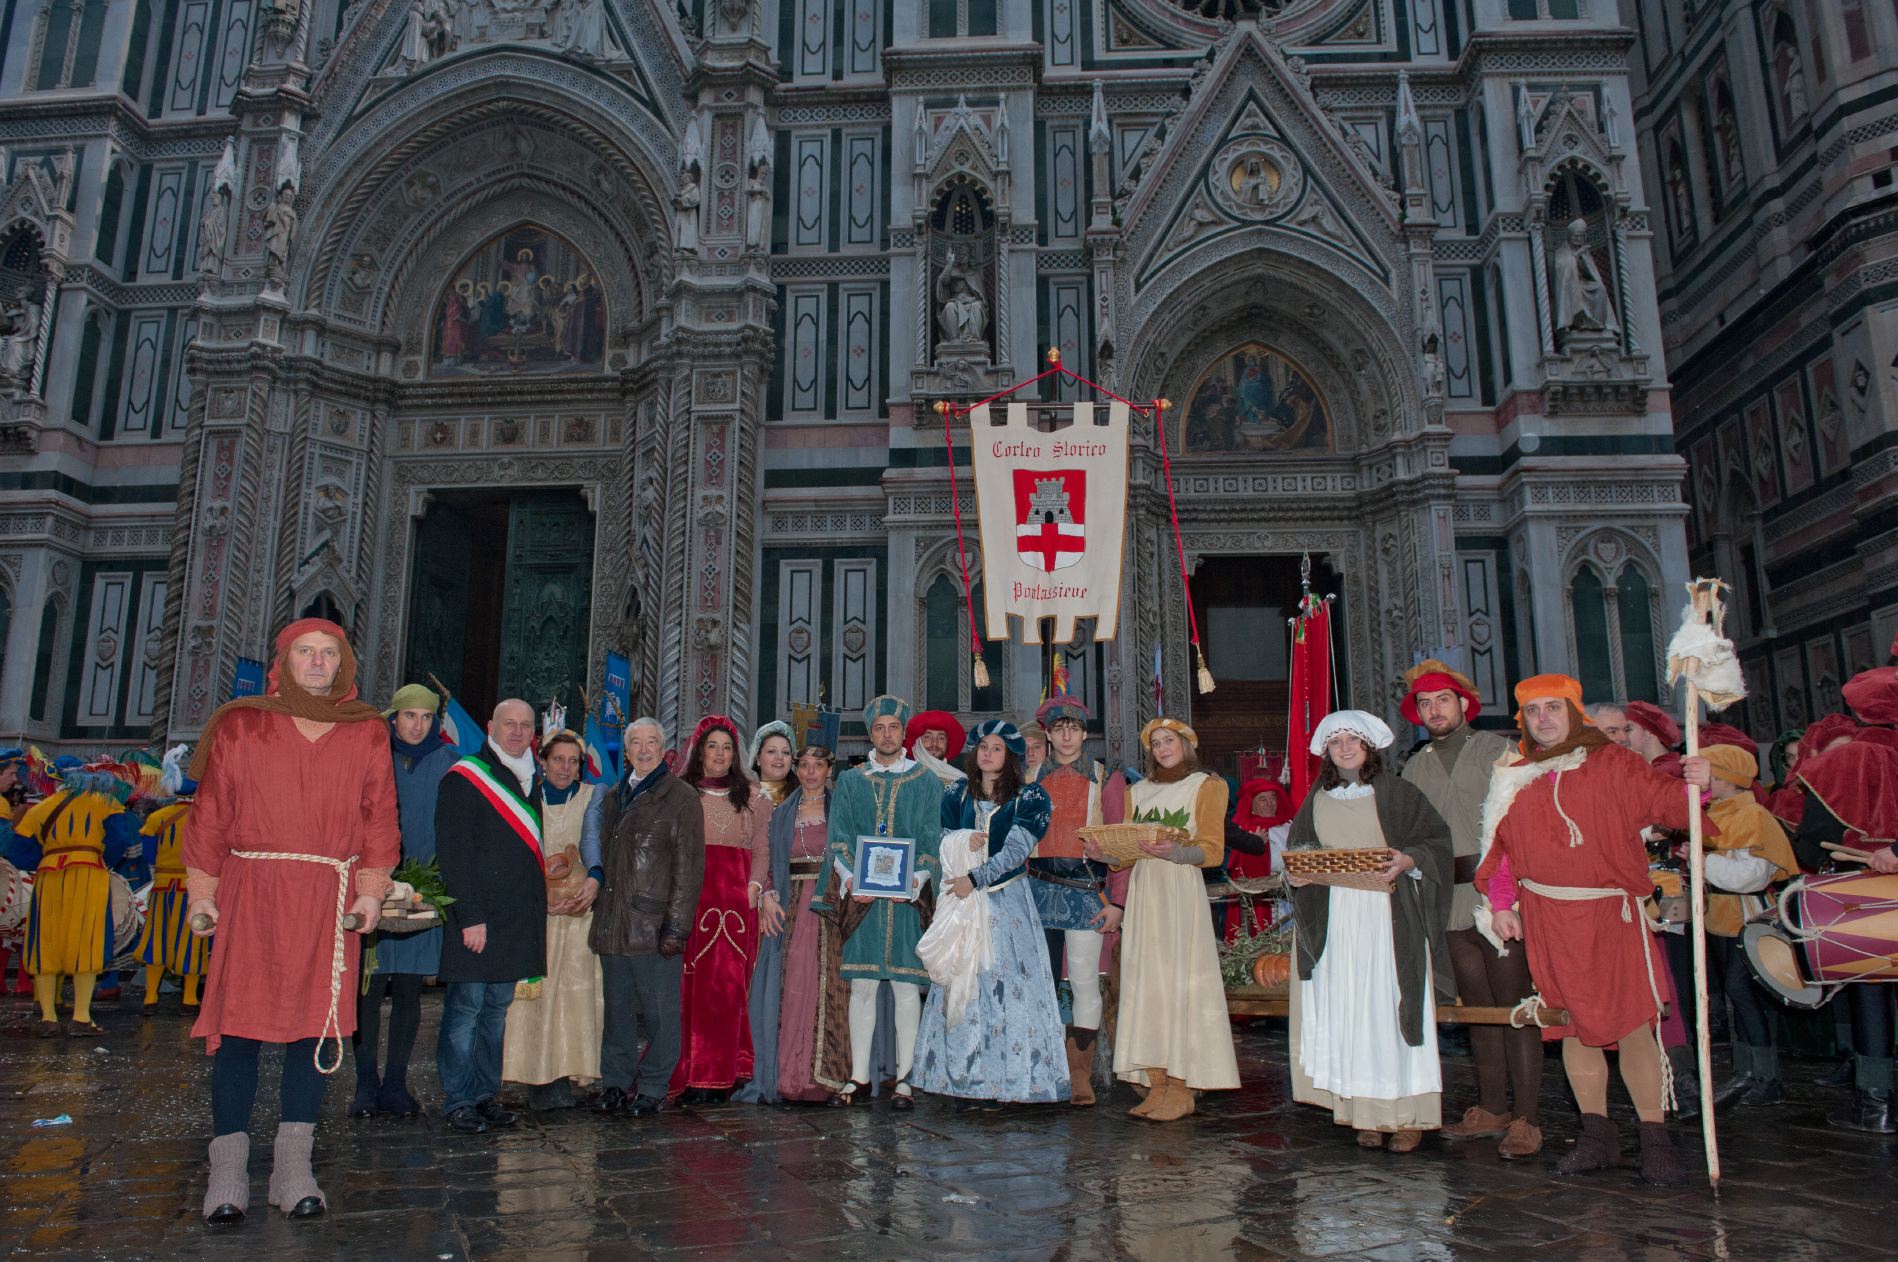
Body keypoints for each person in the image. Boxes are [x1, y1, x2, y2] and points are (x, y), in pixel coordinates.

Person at [182, 618, 399, 1223]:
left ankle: (292, 1169)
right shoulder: (241, 723)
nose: (317, 662)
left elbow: (379, 818)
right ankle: (226, 1172)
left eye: (329, 654)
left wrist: (372, 893)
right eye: (306, 651)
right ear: (284, 660)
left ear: (344, 665)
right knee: (241, 1031)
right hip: (253, 891)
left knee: (316, 1033)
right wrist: (204, 891)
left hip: (329, 898)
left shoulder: (367, 732)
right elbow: (211, 813)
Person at [1475, 674, 1713, 1187]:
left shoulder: (1615, 763)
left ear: (1574, 712)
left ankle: (1655, 1141)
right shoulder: (1516, 775)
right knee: (1571, 1030)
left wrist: (1698, 781)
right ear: (1523, 720)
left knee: (1631, 1028)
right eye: (1533, 711)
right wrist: (1501, 904)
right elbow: (1501, 850)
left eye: (1553, 708)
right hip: (1548, 921)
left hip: (1611, 916)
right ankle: (1598, 1137)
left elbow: (1672, 806)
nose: (1543, 719)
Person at [1287, 710, 1453, 1152]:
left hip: (1386, 916)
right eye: (1335, 741)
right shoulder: (1317, 799)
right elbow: (1300, 850)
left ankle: (1408, 1115)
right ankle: (1362, 1112)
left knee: (1387, 1006)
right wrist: (1300, 875)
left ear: (1369, 747)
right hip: (1338, 917)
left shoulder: (1397, 793)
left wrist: (1409, 859)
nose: (1344, 748)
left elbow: (1436, 840)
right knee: (1350, 1012)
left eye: (1352, 740)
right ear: (1326, 751)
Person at [1397, 661, 1541, 1158]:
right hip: (1446, 898)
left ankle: (1526, 1118)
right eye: (1425, 703)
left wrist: (1513, 891)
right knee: (1478, 1008)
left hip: (1500, 895)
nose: (1434, 710)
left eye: (1443, 700)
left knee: (1515, 1007)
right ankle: (1492, 1108)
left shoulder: (1499, 752)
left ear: (1464, 705)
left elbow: (1524, 821)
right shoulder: (1414, 766)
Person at [914, 721, 1069, 1108]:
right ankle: (965, 1081)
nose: (987, 753)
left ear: (1010, 756)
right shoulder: (955, 793)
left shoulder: (1029, 796)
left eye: (997, 748)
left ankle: (1009, 1081)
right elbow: (942, 841)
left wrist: (976, 876)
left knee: (1008, 987)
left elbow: (1016, 852)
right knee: (966, 984)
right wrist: (961, 846)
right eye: (983, 745)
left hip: (1006, 904)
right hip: (964, 903)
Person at [1099, 717, 1240, 1121]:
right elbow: (1126, 853)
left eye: (1170, 741)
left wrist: (1174, 852)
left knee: (1181, 986)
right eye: (1156, 743)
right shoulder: (1136, 792)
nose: (1162, 748)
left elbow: (1212, 851)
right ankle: (1157, 1081)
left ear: (1186, 745)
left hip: (1180, 895)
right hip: (1144, 896)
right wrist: (1103, 852)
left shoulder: (1207, 786)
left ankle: (1182, 1085)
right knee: (1147, 988)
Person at [813, 695, 944, 1109]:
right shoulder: (852, 781)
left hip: (907, 903)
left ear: (904, 733)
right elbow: (839, 838)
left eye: (894, 727)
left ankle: (906, 1079)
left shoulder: (925, 781)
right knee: (863, 988)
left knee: (907, 989)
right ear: (870, 734)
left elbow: (930, 839)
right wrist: (852, 880)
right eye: (879, 728)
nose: (887, 734)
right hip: (864, 902)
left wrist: (917, 879)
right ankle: (859, 1077)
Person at [433, 699, 548, 1135]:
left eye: (525, 726)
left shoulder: (531, 778)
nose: (517, 732)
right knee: (465, 1010)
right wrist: (470, 916)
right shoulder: (465, 777)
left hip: (517, 920)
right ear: (490, 727)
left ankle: (485, 1095)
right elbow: (455, 853)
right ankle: (458, 1098)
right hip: (478, 918)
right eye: (508, 724)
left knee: (496, 1012)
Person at [353, 683, 458, 1120]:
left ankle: (396, 1083)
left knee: (410, 990)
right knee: (369, 991)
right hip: (371, 887)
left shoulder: (451, 763)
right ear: (393, 718)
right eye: (409, 716)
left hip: (422, 891)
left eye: (426, 717)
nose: (417, 725)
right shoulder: (369, 758)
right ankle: (364, 1085)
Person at [591, 717, 704, 1117]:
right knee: (617, 1013)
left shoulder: (681, 797)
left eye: (651, 741)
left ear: (663, 748)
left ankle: (654, 1086)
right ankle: (616, 1083)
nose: (643, 749)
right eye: (635, 742)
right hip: (613, 924)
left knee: (659, 1014)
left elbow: (689, 869)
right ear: (626, 750)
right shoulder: (612, 796)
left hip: (653, 926)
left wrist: (676, 927)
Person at [1789, 727, 1898, 1131]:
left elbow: (1811, 848)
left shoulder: (1844, 763)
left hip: (1861, 894)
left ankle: (1876, 1105)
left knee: (1869, 998)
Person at [1025, 694, 1124, 1107]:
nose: (1067, 736)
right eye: (1058, 728)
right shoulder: (1028, 779)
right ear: (1047, 733)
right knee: (1039, 984)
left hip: (1085, 892)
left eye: (1074, 728)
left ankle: (1078, 1075)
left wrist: (1117, 902)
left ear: (1086, 733)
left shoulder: (1106, 779)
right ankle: (1041, 1069)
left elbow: (1123, 845)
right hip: (1035, 892)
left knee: (1084, 982)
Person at [502, 729, 606, 1111]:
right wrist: (534, 895)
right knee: (534, 998)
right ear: (542, 762)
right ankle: (533, 1074)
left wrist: (595, 878)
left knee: (574, 997)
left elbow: (594, 840)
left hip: (578, 912)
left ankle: (567, 1072)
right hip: (537, 913)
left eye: (573, 761)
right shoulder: (525, 797)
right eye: (558, 759)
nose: (565, 767)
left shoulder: (592, 797)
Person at [672, 715, 773, 1102]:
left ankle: (722, 1073)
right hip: (692, 898)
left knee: (728, 990)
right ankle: (689, 1071)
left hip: (734, 902)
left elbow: (761, 847)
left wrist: (754, 887)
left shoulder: (753, 796)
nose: (720, 754)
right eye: (713, 746)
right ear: (700, 751)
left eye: (727, 747)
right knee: (690, 987)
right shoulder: (680, 793)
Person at [1697, 743, 1799, 1109]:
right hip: (1720, 919)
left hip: (1746, 917)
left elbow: (1751, 878)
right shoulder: (1713, 812)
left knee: (1744, 994)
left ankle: (1766, 1077)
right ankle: (1746, 1073)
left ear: (1724, 777)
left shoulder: (1753, 816)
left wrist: (1700, 861)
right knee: (1734, 995)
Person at [739, 743, 840, 1104]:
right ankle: (785, 1075)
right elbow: (765, 859)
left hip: (830, 907)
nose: (811, 772)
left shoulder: (841, 810)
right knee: (790, 987)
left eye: (819, 765)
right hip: (790, 904)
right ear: (797, 769)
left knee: (826, 988)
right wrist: (767, 895)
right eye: (805, 765)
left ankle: (825, 1077)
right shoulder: (781, 812)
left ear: (830, 769)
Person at [11, 759, 139, 1037]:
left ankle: (48, 1017)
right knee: (87, 939)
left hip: (48, 878)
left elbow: (16, 850)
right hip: (89, 875)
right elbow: (119, 840)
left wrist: (46, 858)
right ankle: (81, 1018)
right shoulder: (103, 801)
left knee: (46, 941)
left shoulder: (40, 808)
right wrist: (99, 858)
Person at [136, 747, 207, 1014]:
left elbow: (148, 854)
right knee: (193, 938)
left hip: (163, 887)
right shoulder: (205, 818)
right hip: (194, 887)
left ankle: (150, 998)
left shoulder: (156, 818)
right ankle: (189, 999)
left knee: (158, 937)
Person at [906, 709, 967, 787]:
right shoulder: (902, 777)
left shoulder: (961, 781)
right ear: (918, 743)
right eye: (927, 737)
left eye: (941, 738)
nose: (934, 743)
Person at [749, 721, 797, 807]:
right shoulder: (742, 797)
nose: (779, 757)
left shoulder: (801, 797)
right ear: (758, 759)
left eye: (786, 752)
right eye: (771, 751)